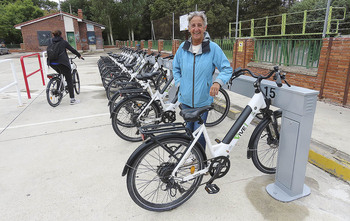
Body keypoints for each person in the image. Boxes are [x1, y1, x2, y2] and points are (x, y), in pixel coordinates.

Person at [173, 11, 233, 149]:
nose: (196, 29)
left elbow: (227, 68)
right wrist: (180, 83)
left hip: (203, 101)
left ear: (205, 27)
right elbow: (175, 68)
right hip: (186, 100)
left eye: (199, 25)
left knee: (199, 134)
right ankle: (191, 158)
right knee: (188, 132)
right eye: (193, 25)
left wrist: (218, 82)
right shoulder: (183, 48)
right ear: (189, 28)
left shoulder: (213, 48)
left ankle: (201, 163)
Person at [48, 30, 83, 105]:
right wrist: (79, 55)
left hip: (52, 63)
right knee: (69, 80)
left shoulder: (51, 42)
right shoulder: (63, 42)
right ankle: (72, 100)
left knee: (60, 73)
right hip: (62, 63)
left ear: (54, 35)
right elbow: (72, 50)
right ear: (61, 35)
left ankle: (59, 86)